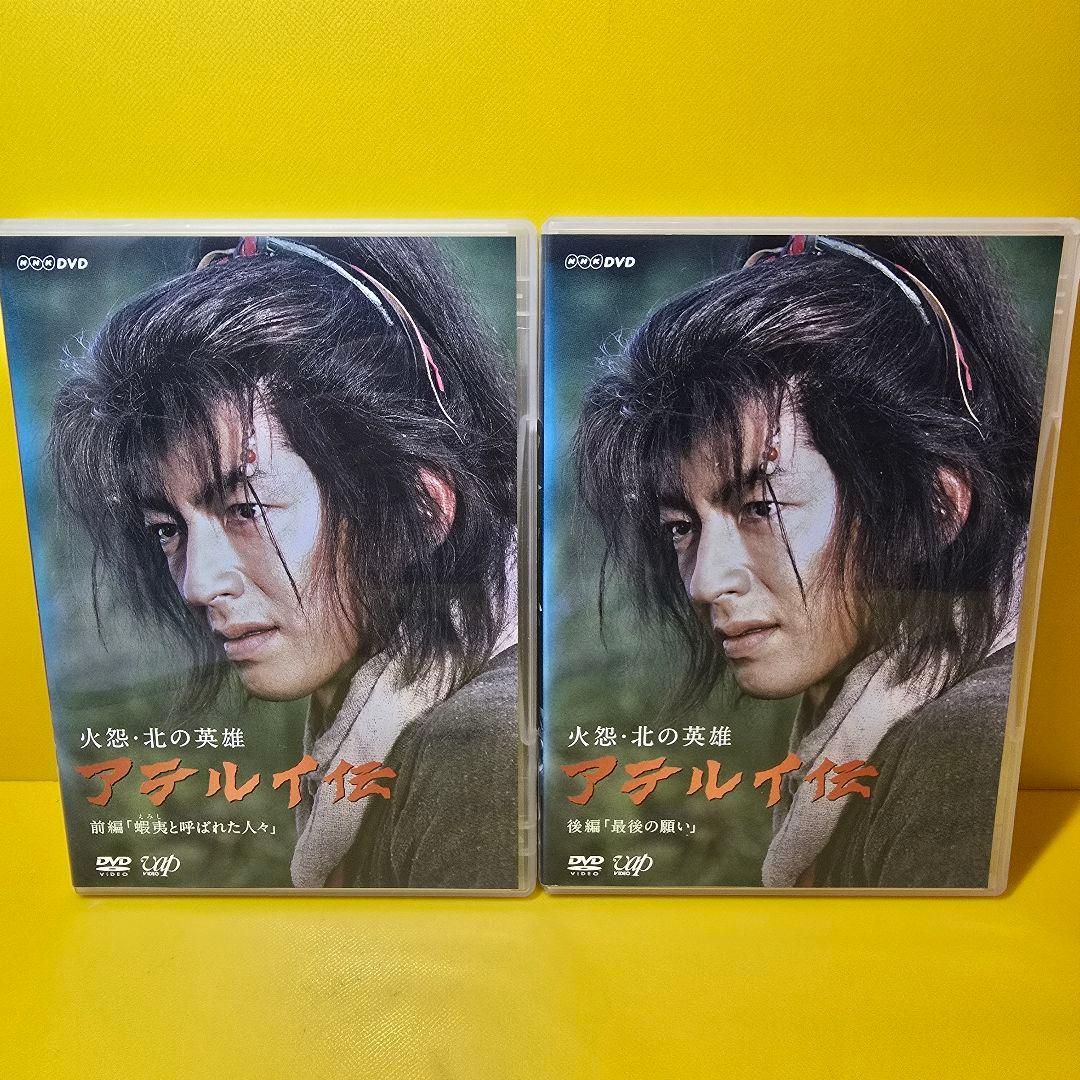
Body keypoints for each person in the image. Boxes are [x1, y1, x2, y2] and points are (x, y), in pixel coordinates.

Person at [50, 234, 521, 890]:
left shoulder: (484, 741)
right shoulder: (376, 723)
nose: (197, 583)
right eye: (168, 529)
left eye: (246, 510)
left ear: (420, 510)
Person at [573, 234, 1041, 888]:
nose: (706, 582)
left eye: (761, 508)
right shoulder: (879, 721)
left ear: (936, 508)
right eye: (681, 527)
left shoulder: (967, 745)